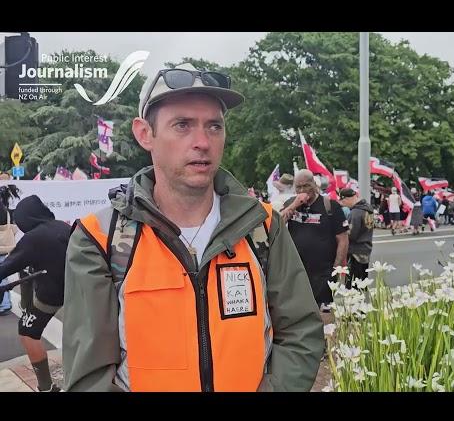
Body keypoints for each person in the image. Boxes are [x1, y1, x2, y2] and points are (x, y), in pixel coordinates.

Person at [63, 63, 323, 392]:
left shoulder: (263, 227)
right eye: (182, 125)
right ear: (145, 134)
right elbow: (88, 378)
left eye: (214, 126)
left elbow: (301, 333)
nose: (202, 141)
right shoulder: (99, 240)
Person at [0, 196, 70, 392]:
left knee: (27, 332)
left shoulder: (33, 238)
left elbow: (7, 266)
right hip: (77, 292)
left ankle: (46, 387)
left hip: (52, 294)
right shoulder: (63, 227)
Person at [281, 169, 349, 311]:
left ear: (314, 184)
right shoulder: (290, 203)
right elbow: (276, 224)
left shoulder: (330, 206)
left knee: (324, 312)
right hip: (298, 271)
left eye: (306, 185)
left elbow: (342, 239)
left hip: (323, 272)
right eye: (298, 187)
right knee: (301, 310)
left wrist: (336, 268)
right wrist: (294, 206)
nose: (302, 190)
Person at [339, 188, 374, 285]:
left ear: (347, 198)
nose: (343, 204)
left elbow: (350, 234)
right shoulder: (368, 208)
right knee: (363, 282)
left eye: (343, 201)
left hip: (355, 251)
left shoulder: (355, 213)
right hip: (366, 248)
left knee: (353, 284)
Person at [0, 184, 20, 316]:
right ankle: (5, 303)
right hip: (4, 247)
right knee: (3, 276)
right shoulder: (6, 210)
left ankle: (4, 304)